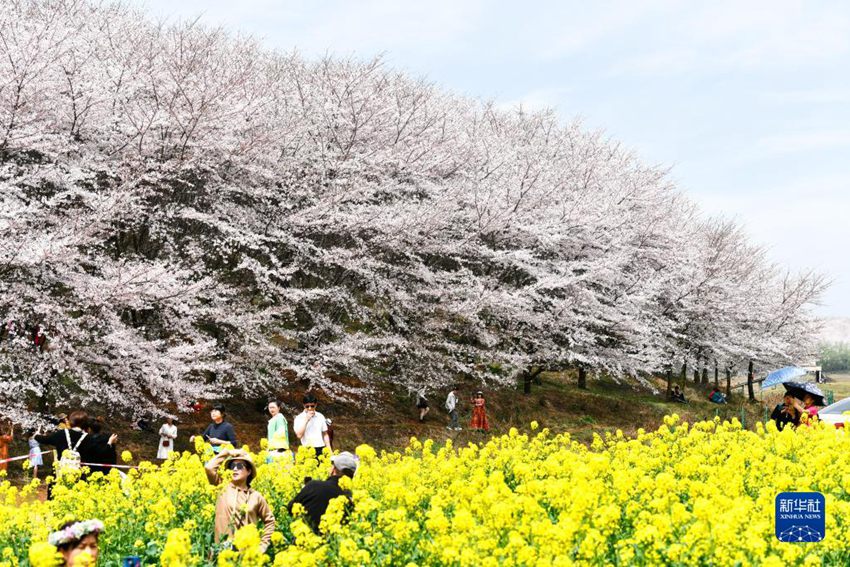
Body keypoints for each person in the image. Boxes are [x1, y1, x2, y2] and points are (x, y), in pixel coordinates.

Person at [204, 448, 275, 552]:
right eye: (232, 466)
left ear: (249, 471)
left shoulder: (256, 496)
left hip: (247, 553)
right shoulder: (222, 487)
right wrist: (227, 452)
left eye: (240, 466)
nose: (235, 469)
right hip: (223, 552)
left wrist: (263, 546)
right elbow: (209, 468)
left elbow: (270, 521)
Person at [287, 451, 358, 534]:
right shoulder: (352, 500)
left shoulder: (313, 485)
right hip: (333, 541)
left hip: (303, 538)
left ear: (333, 470)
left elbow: (291, 508)